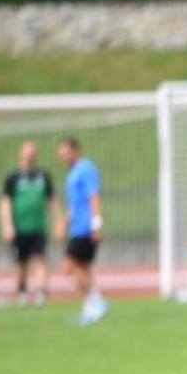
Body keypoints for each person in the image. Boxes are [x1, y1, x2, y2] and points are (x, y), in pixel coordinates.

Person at [56, 136, 108, 326]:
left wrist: (97, 224)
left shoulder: (86, 169)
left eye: (66, 153)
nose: (63, 157)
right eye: (61, 155)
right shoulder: (73, 173)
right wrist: (64, 222)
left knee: (69, 266)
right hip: (77, 226)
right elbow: (75, 205)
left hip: (86, 228)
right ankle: (90, 308)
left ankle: (98, 301)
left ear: (76, 150)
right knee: (83, 269)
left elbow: (94, 197)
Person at [0, 140, 57, 307]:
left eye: (33, 152)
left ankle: (41, 292)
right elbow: (5, 202)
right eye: (27, 152)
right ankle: (23, 291)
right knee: (21, 262)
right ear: (21, 154)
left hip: (38, 227)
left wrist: (57, 221)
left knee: (40, 259)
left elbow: (51, 200)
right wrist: (7, 225)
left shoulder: (43, 177)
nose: (30, 155)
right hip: (20, 228)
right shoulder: (13, 178)